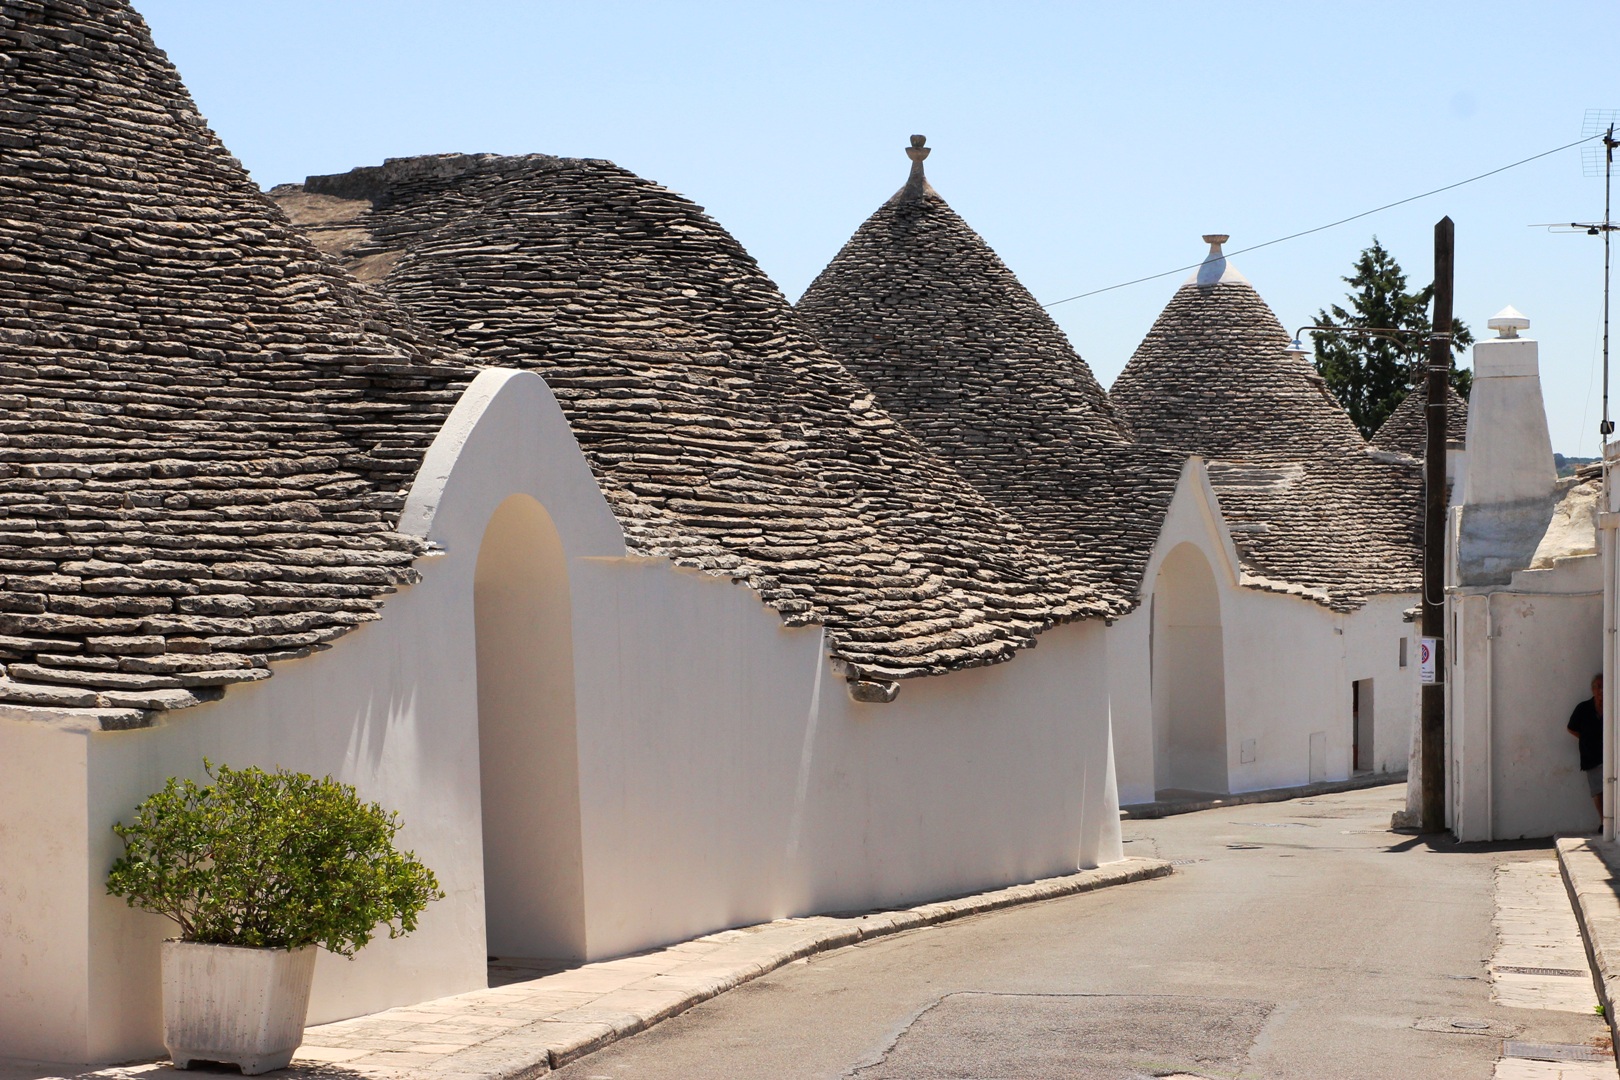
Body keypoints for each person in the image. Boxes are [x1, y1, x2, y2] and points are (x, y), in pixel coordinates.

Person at [1568, 673, 1604, 823]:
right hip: (1592, 756)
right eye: (1597, 687)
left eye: (1603, 686)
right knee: (1598, 791)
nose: (1601, 690)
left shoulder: (1614, 706)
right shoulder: (1583, 708)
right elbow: (1571, 728)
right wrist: (1586, 740)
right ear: (1592, 690)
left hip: (1612, 755)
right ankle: (1604, 821)